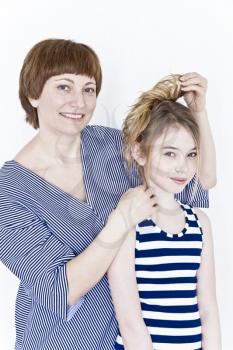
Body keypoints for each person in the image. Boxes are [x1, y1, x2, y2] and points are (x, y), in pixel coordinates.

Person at [0, 38, 215, 350]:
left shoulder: (111, 146)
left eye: (89, 89)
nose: (80, 102)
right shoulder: (10, 191)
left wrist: (199, 114)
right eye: (64, 87)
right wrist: (121, 221)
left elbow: (194, 188)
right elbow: (62, 290)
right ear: (33, 93)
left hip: (128, 340)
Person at [108, 75, 221, 349]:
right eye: (170, 154)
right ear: (139, 152)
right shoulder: (128, 221)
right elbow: (130, 318)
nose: (182, 166)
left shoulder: (199, 223)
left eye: (191, 154)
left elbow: (208, 309)